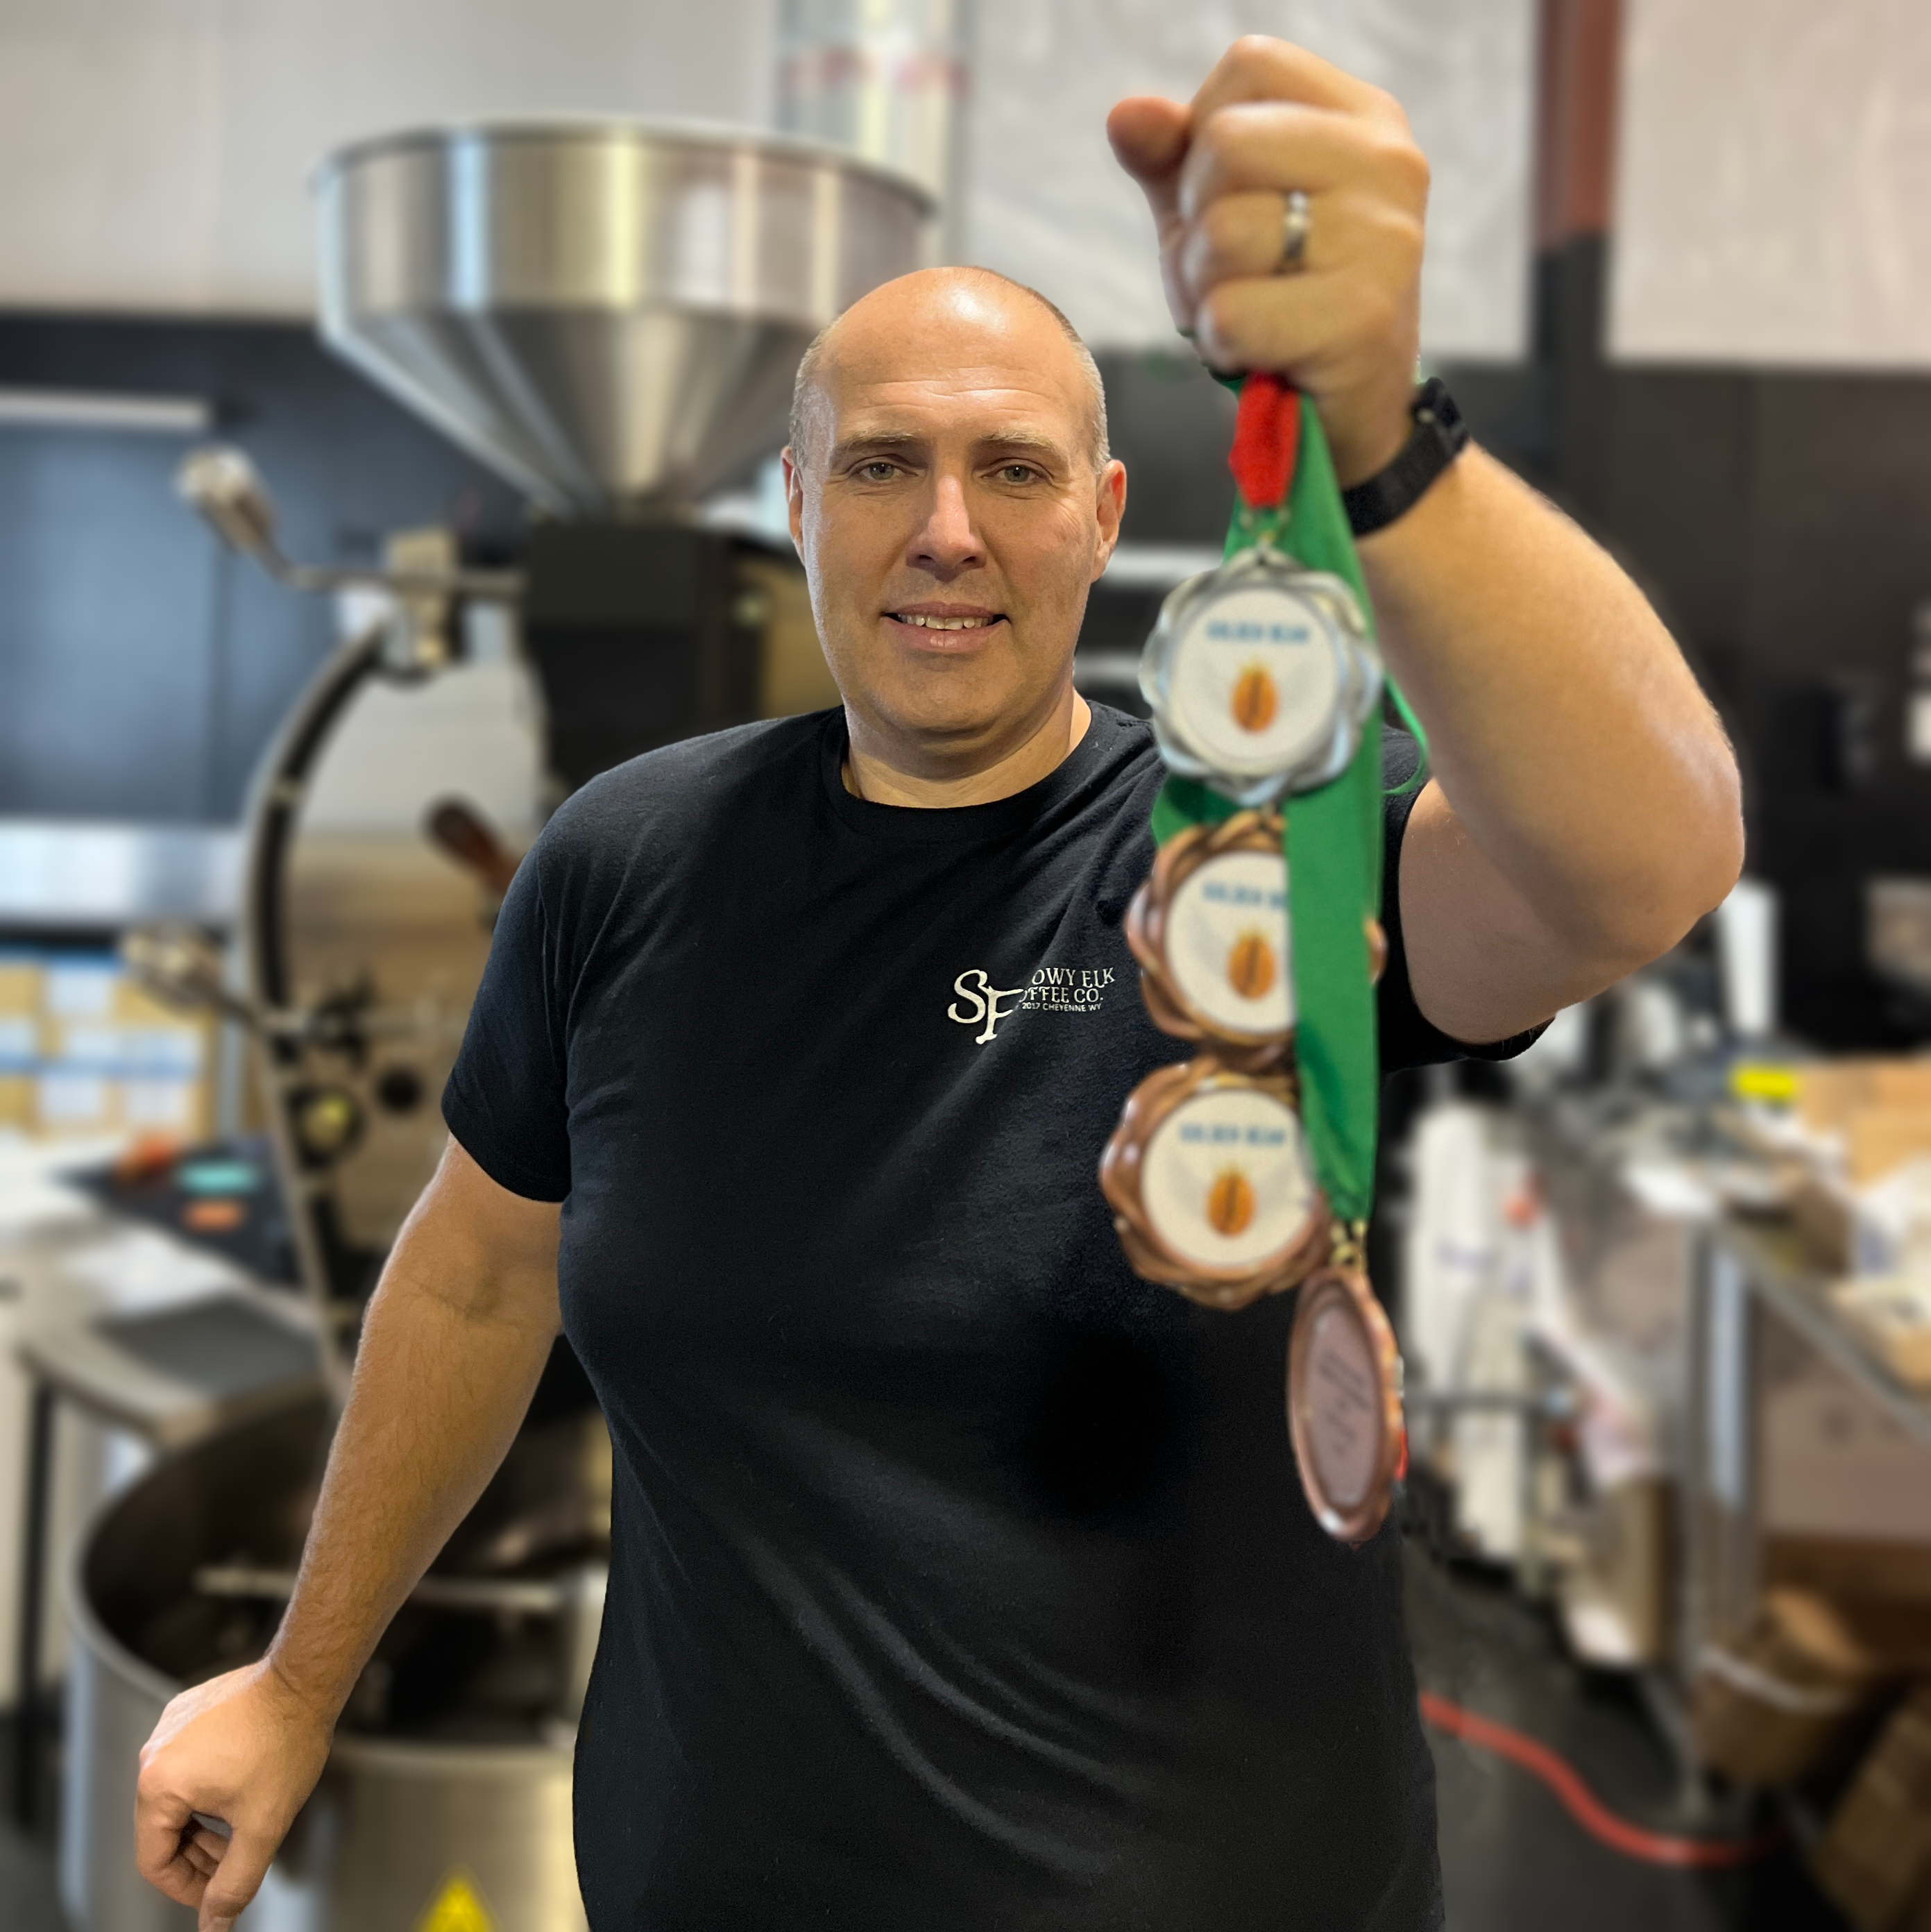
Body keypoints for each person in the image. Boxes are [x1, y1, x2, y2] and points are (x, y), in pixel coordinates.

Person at [135, 36, 1742, 1932]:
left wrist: (1382, 430)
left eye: (1012, 469)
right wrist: (296, 1681)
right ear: (797, 502)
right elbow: (480, 1268)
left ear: (1098, 508)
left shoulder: (1265, 848)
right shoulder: (626, 863)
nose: (948, 528)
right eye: (883, 466)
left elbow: (1642, 865)